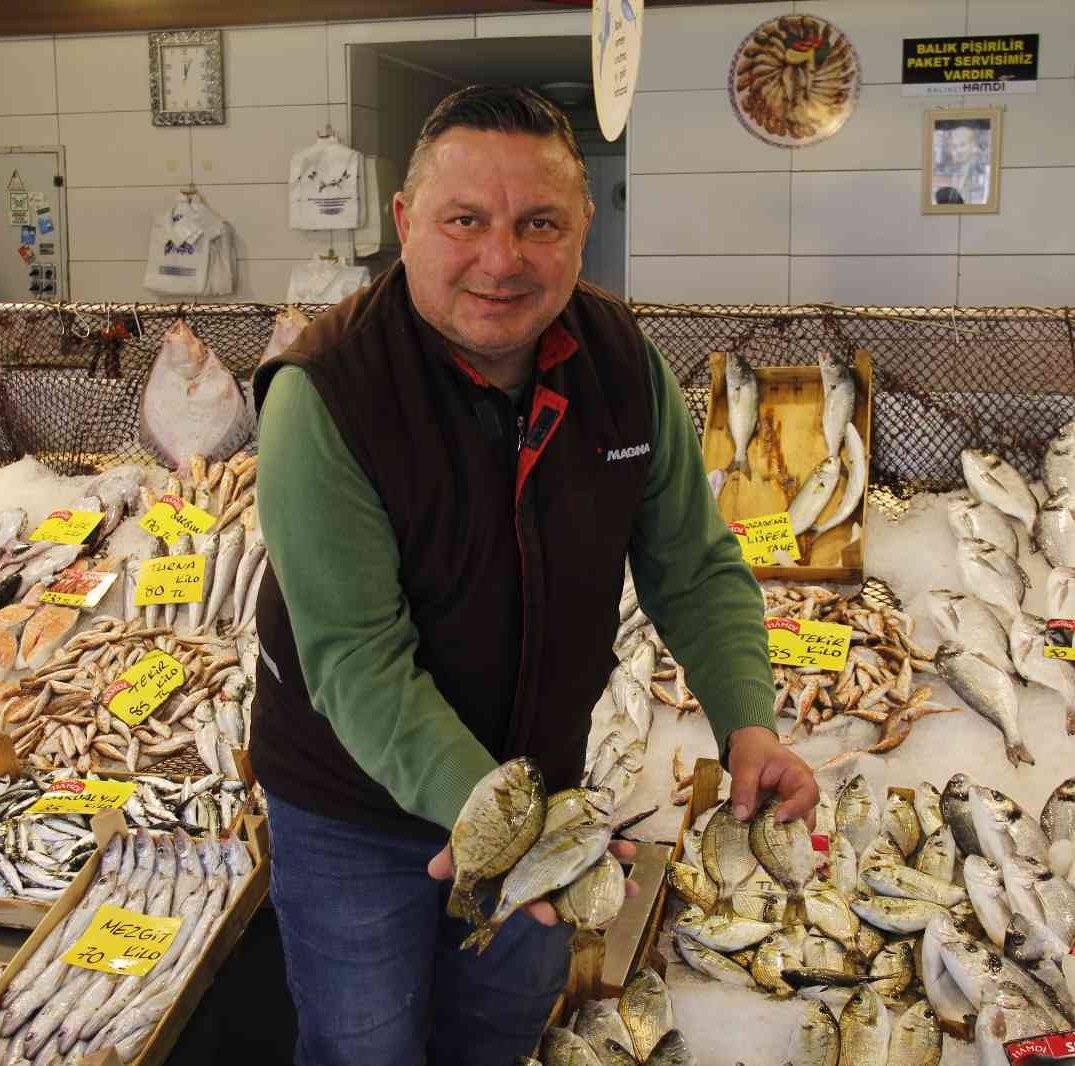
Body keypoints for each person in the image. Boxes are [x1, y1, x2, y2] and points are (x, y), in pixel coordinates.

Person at [251, 84, 819, 1066]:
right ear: (405, 222)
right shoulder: (326, 395)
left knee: (501, 1026)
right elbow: (354, 659)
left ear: (585, 227)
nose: (500, 259)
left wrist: (746, 721)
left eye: (539, 223)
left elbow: (692, 564)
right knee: (365, 1044)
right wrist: (506, 828)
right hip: (355, 807)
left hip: (536, 784)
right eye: (463, 220)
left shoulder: (619, 364)